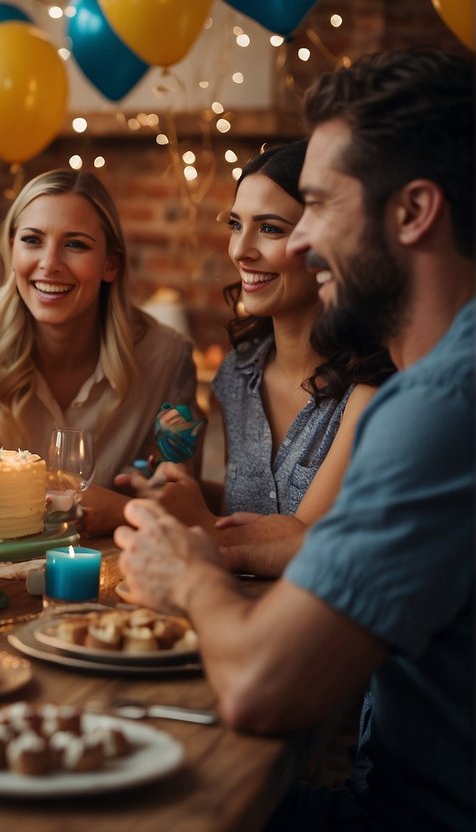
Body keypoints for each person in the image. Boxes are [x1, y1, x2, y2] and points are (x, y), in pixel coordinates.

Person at [114, 48, 473, 831]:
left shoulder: (440, 404)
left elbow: (260, 685)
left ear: (412, 212)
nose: (299, 243)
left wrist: (189, 570)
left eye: (313, 205)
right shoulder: (434, 381)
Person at [119, 141, 394, 576]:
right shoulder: (236, 373)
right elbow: (246, 509)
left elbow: (303, 549)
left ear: (329, 244)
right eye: (236, 224)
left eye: (270, 229)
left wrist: (197, 519)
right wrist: (181, 486)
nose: (240, 250)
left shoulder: (370, 394)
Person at [0, 170, 200, 534]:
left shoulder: (166, 356)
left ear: (110, 264)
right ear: (11, 249)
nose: (49, 263)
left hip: (109, 572)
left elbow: (184, 502)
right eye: (32, 240)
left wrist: (123, 510)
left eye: (75, 244)